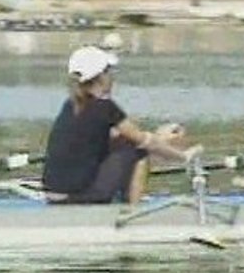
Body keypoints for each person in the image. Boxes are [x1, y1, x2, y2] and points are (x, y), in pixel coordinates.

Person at [42, 45, 199, 204]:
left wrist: (157, 137)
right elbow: (145, 143)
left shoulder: (71, 105)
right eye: (109, 71)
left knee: (129, 145)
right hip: (80, 196)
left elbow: (118, 140)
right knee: (141, 151)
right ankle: (133, 211)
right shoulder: (105, 106)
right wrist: (184, 156)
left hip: (52, 194)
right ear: (101, 76)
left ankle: (126, 202)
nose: (112, 77)